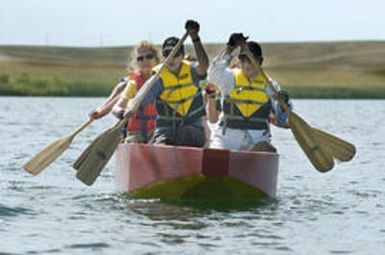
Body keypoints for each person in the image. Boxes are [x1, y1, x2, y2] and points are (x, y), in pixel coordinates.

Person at [207, 33, 292, 152]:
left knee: (267, 149)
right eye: (243, 59)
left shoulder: (271, 86)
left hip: (256, 141)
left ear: (260, 61)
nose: (247, 63)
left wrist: (284, 103)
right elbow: (213, 74)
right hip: (226, 140)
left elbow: (282, 119)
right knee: (215, 152)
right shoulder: (229, 78)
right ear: (239, 60)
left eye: (251, 59)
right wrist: (230, 47)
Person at [131, 20, 209, 147]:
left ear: (182, 56)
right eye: (167, 54)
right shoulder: (159, 77)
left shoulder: (193, 71)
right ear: (163, 56)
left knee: (187, 132)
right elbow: (141, 99)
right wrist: (131, 108)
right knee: (161, 146)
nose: (171, 58)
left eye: (175, 54)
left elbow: (204, 65)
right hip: (166, 130)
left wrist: (195, 38)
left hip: (192, 128)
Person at [111, 41, 162, 143]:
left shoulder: (164, 80)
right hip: (137, 134)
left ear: (156, 60)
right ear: (136, 63)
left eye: (149, 56)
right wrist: (122, 112)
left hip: (159, 131)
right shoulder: (133, 85)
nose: (144, 61)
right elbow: (115, 108)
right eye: (140, 58)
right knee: (134, 140)